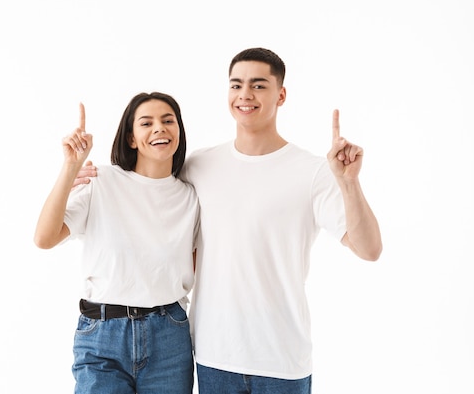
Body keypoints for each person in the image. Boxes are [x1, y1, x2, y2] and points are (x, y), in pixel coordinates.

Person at [73, 48, 383, 394]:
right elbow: (148, 190)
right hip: (214, 358)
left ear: (281, 95)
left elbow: (369, 249)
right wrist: (85, 176)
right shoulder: (199, 166)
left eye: (258, 85)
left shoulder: (313, 172)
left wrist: (349, 182)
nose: (245, 95)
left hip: (282, 360)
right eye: (236, 85)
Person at [34, 92, 200, 394]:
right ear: (132, 139)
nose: (159, 128)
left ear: (179, 131)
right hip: (102, 335)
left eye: (168, 121)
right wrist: (70, 167)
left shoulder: (191, 198)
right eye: (146, 123)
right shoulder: (102, 181)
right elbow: (45, 238)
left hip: (168, 336)